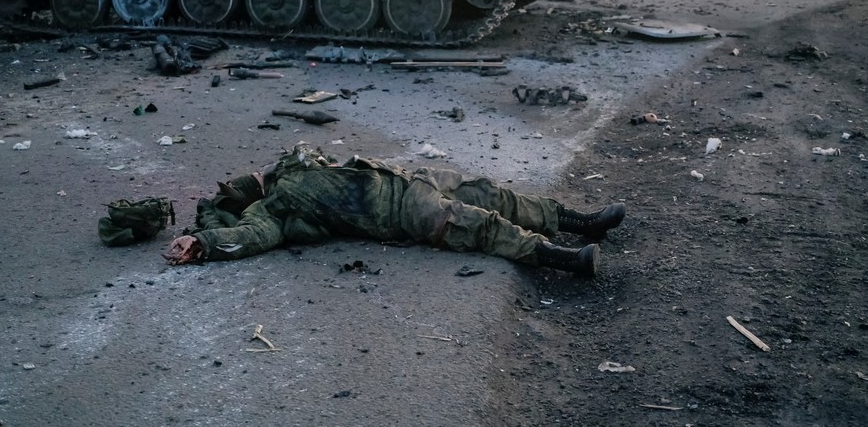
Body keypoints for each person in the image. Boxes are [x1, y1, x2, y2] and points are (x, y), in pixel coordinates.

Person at [164, 145, 626, 276]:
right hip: (401, 214)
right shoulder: (277, 207)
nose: (259, 173)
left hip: (410, 179)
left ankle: (585, 223)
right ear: (252, 193)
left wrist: (288, 163)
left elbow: (306, 152)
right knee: (483, 227)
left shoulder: (298, 166)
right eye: (253, 179)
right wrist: (203, 242)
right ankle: (566, 259)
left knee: (493, 194)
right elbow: (252, 236)